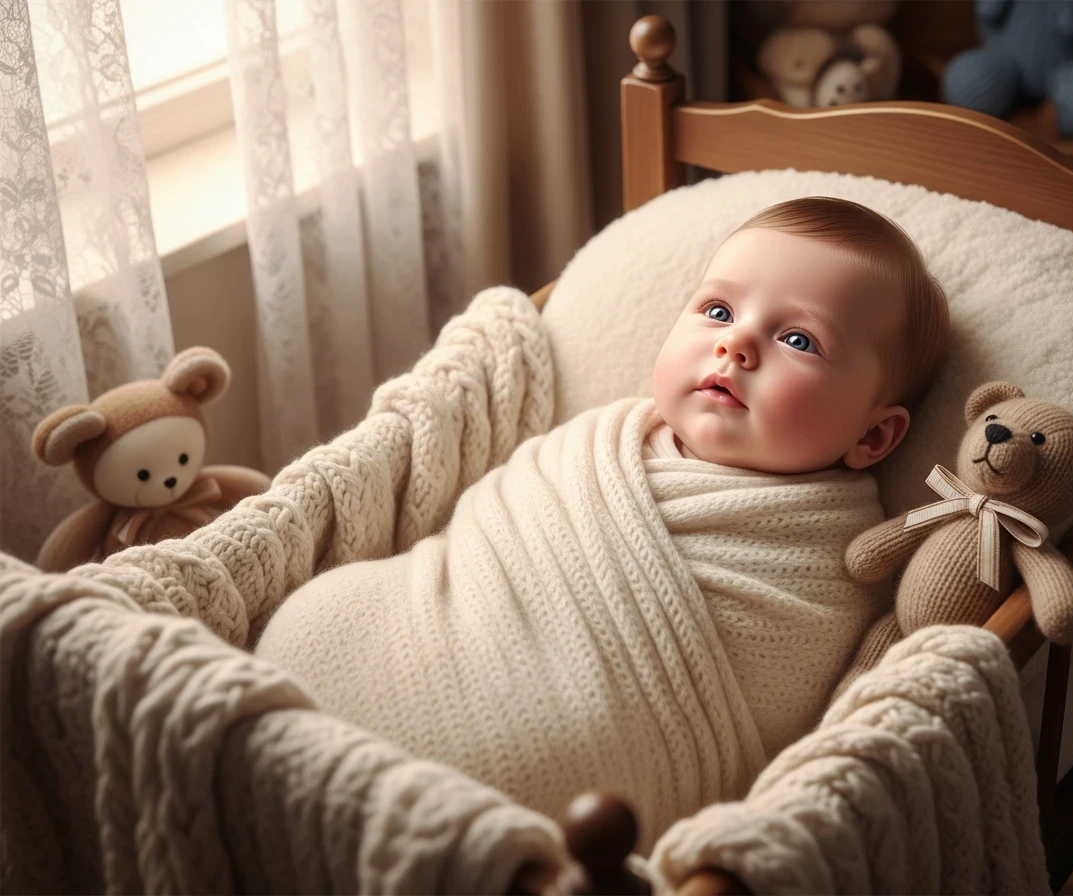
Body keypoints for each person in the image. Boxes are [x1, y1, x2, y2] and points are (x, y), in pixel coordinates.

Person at [254, 196, 951, 847]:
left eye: (799, 339)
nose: (737, 345)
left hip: (568, 753)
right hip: (424, 617)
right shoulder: (603, 439)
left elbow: (789, 687)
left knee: (520, 778)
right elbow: (488, 529)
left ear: (874, 439)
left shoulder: (836, 559)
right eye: (716, 311)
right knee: (313, 620)